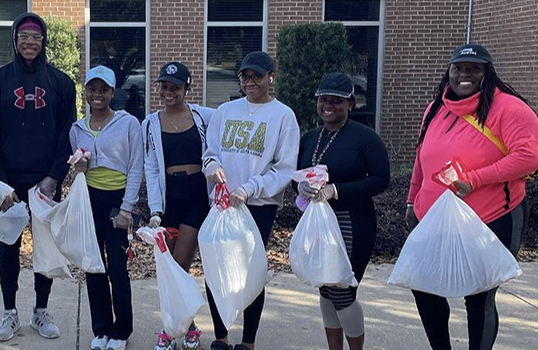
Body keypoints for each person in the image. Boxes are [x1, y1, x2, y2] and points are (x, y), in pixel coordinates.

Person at [405, 43, 538, 350]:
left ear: (487, 73)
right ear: (448, 71)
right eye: (458, 68)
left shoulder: (509, 109)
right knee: (424, 287)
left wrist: (475, 180)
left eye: (474, 68)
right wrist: (413, 201)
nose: (465, 74)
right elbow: (421, 157)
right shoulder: (435, 108)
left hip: (492, 218)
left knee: (479, 296)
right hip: (436, 220)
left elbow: (529, 157)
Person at [0, 12, 76, 342]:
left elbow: (68, 133)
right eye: (23, 36)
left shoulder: (61, 83)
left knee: (45, 248)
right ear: (14, 39)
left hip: (45, 181)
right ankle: (9, 312)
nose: (29, 42)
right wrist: (0, 182)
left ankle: (40, 311)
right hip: (9, 181)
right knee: (7, 247)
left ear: (44, 40)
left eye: (36, 37)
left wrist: (54, 176)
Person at [202, 51, 300, 350]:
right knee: (215, 268)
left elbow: (284, 168)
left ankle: (248, 341)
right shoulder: (225, 111)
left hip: (257, 206)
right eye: (245, 76)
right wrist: (212, 167)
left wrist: (250, 188)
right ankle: (220, 336)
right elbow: (210, 151)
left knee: (251, 271)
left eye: (257, 76)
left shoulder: (283, 116)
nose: (250, 82)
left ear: (272, 76)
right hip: (221, 203)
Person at [295, 73, 390, 350]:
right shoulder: (311, 137)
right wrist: (300, 187)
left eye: (337, 101)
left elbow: (381, 179)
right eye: (323, 100)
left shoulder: (365, 138)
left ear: (350, 103)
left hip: (352, 221)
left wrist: (337, 190)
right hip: (318, 223)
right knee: (325, 288)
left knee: (342, 289)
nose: (329, 106)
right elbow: (296, 175)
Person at [142, 62, 214, 350]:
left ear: (187, 88)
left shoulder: (205, 116)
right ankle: (188, 326)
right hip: (169, 198)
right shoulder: (150, 123)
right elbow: (151, 168)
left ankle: (170, 329)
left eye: (175, 86)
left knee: (180, 267)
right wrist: (155, 210)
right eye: (164, 86)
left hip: (196, 195)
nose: (169, 92)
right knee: (168, 268)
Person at [70, 65, 143, 350]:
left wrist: (127, 208)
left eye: (103, 89)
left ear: (113, 92)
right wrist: (80, 166)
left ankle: (121, 330)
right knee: (93, 265)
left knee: (117, 268)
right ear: (86, 91)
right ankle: (100, 329)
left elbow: (136, 167)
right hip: (90, 200)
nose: (97, 94)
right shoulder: (77, 128)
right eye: (92, 89)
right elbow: (79, 169)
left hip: (118, 202)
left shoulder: (128, 124)